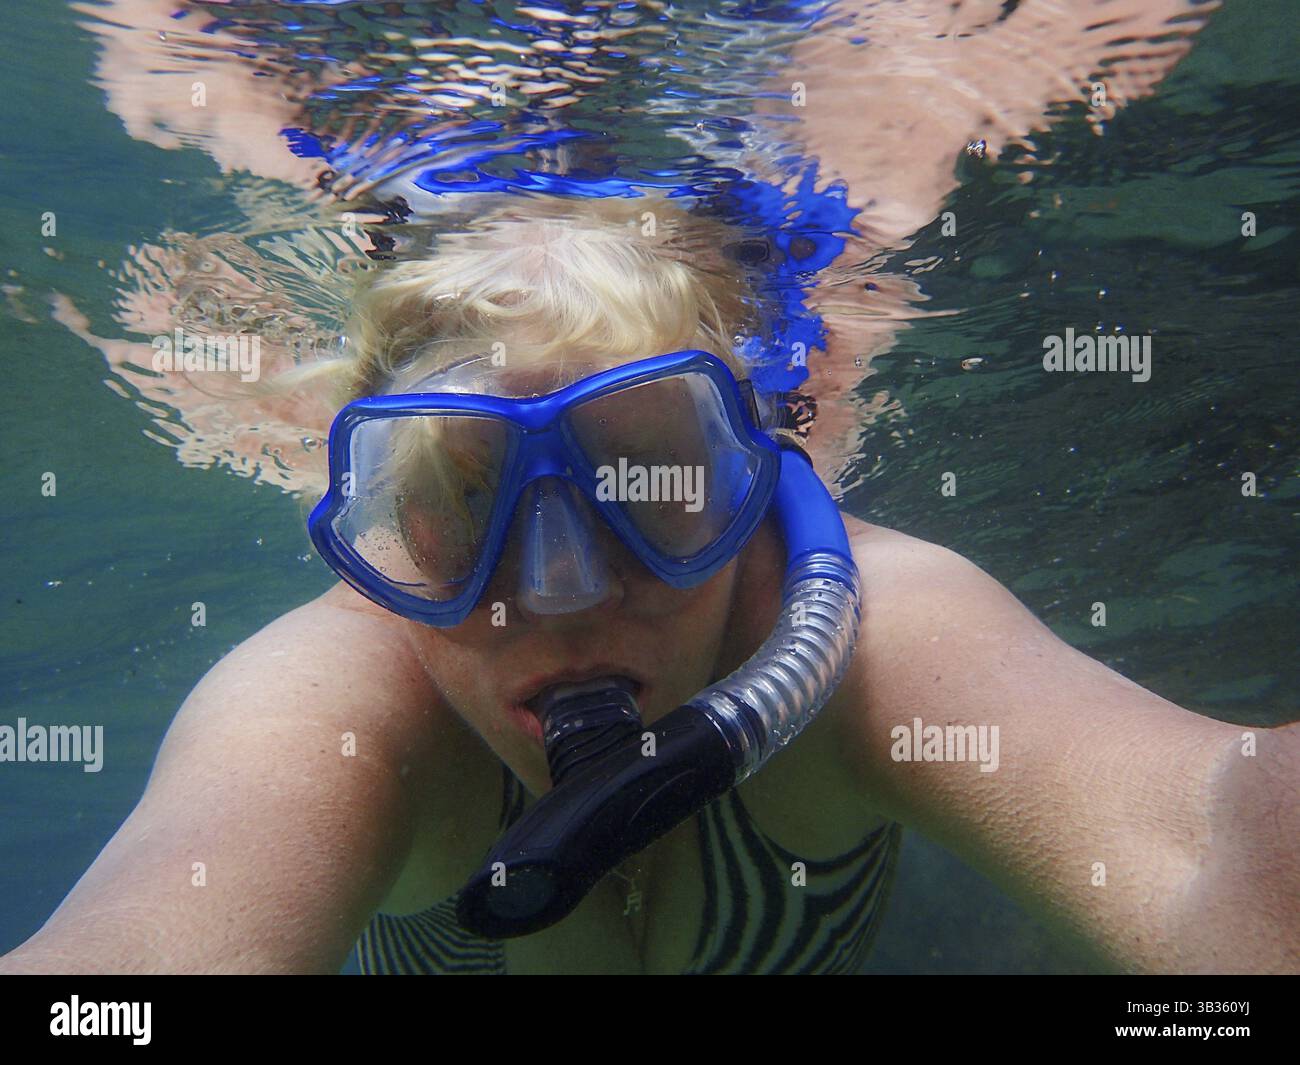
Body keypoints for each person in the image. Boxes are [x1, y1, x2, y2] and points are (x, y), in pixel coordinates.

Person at [8, 0, 1293, 975]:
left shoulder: (855, 626)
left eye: (651, 475)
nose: (560, 594)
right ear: (389, 519)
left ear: (753, 469)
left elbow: (1221, 838)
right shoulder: (336, 702)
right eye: (467, 498)